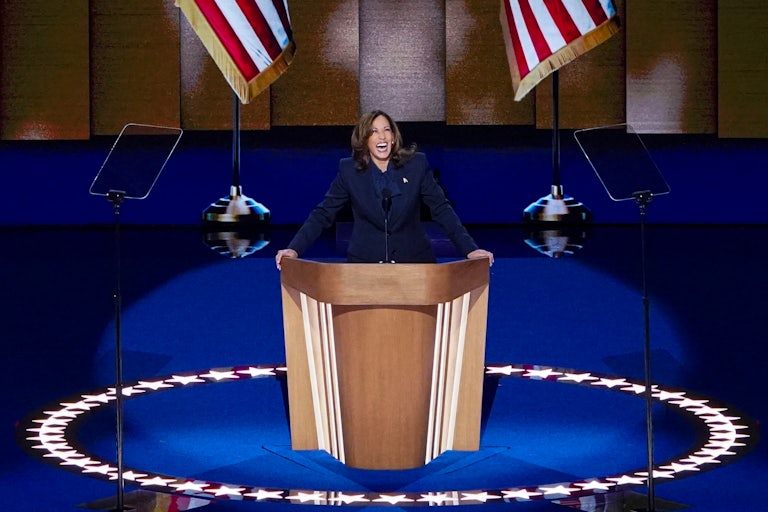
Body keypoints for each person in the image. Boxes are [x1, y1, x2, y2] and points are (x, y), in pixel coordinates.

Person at [275, 110, 493, 269]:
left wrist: (470, 249)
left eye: (386, 130)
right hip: (365, 266)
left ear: (393, 136)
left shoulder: (416, 165)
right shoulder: (349, 170)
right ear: (364, 139)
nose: (381, 137)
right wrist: (294, 249)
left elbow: (442, 210)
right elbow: (323, 214)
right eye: (374, 131)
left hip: (414, 265)